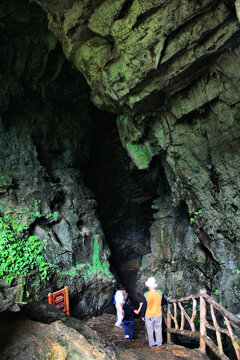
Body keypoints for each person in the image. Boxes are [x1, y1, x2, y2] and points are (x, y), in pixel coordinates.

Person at [141, 277, 167, 349]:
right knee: (158, 329)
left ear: (149, 286)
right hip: (158, 314)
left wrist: (142, 315)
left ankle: (152, 344)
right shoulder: (159, 293)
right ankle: (159, 343)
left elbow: (144, 306)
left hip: (149, 315)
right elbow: (164, 302)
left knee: (150, 330)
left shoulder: (146, 294)